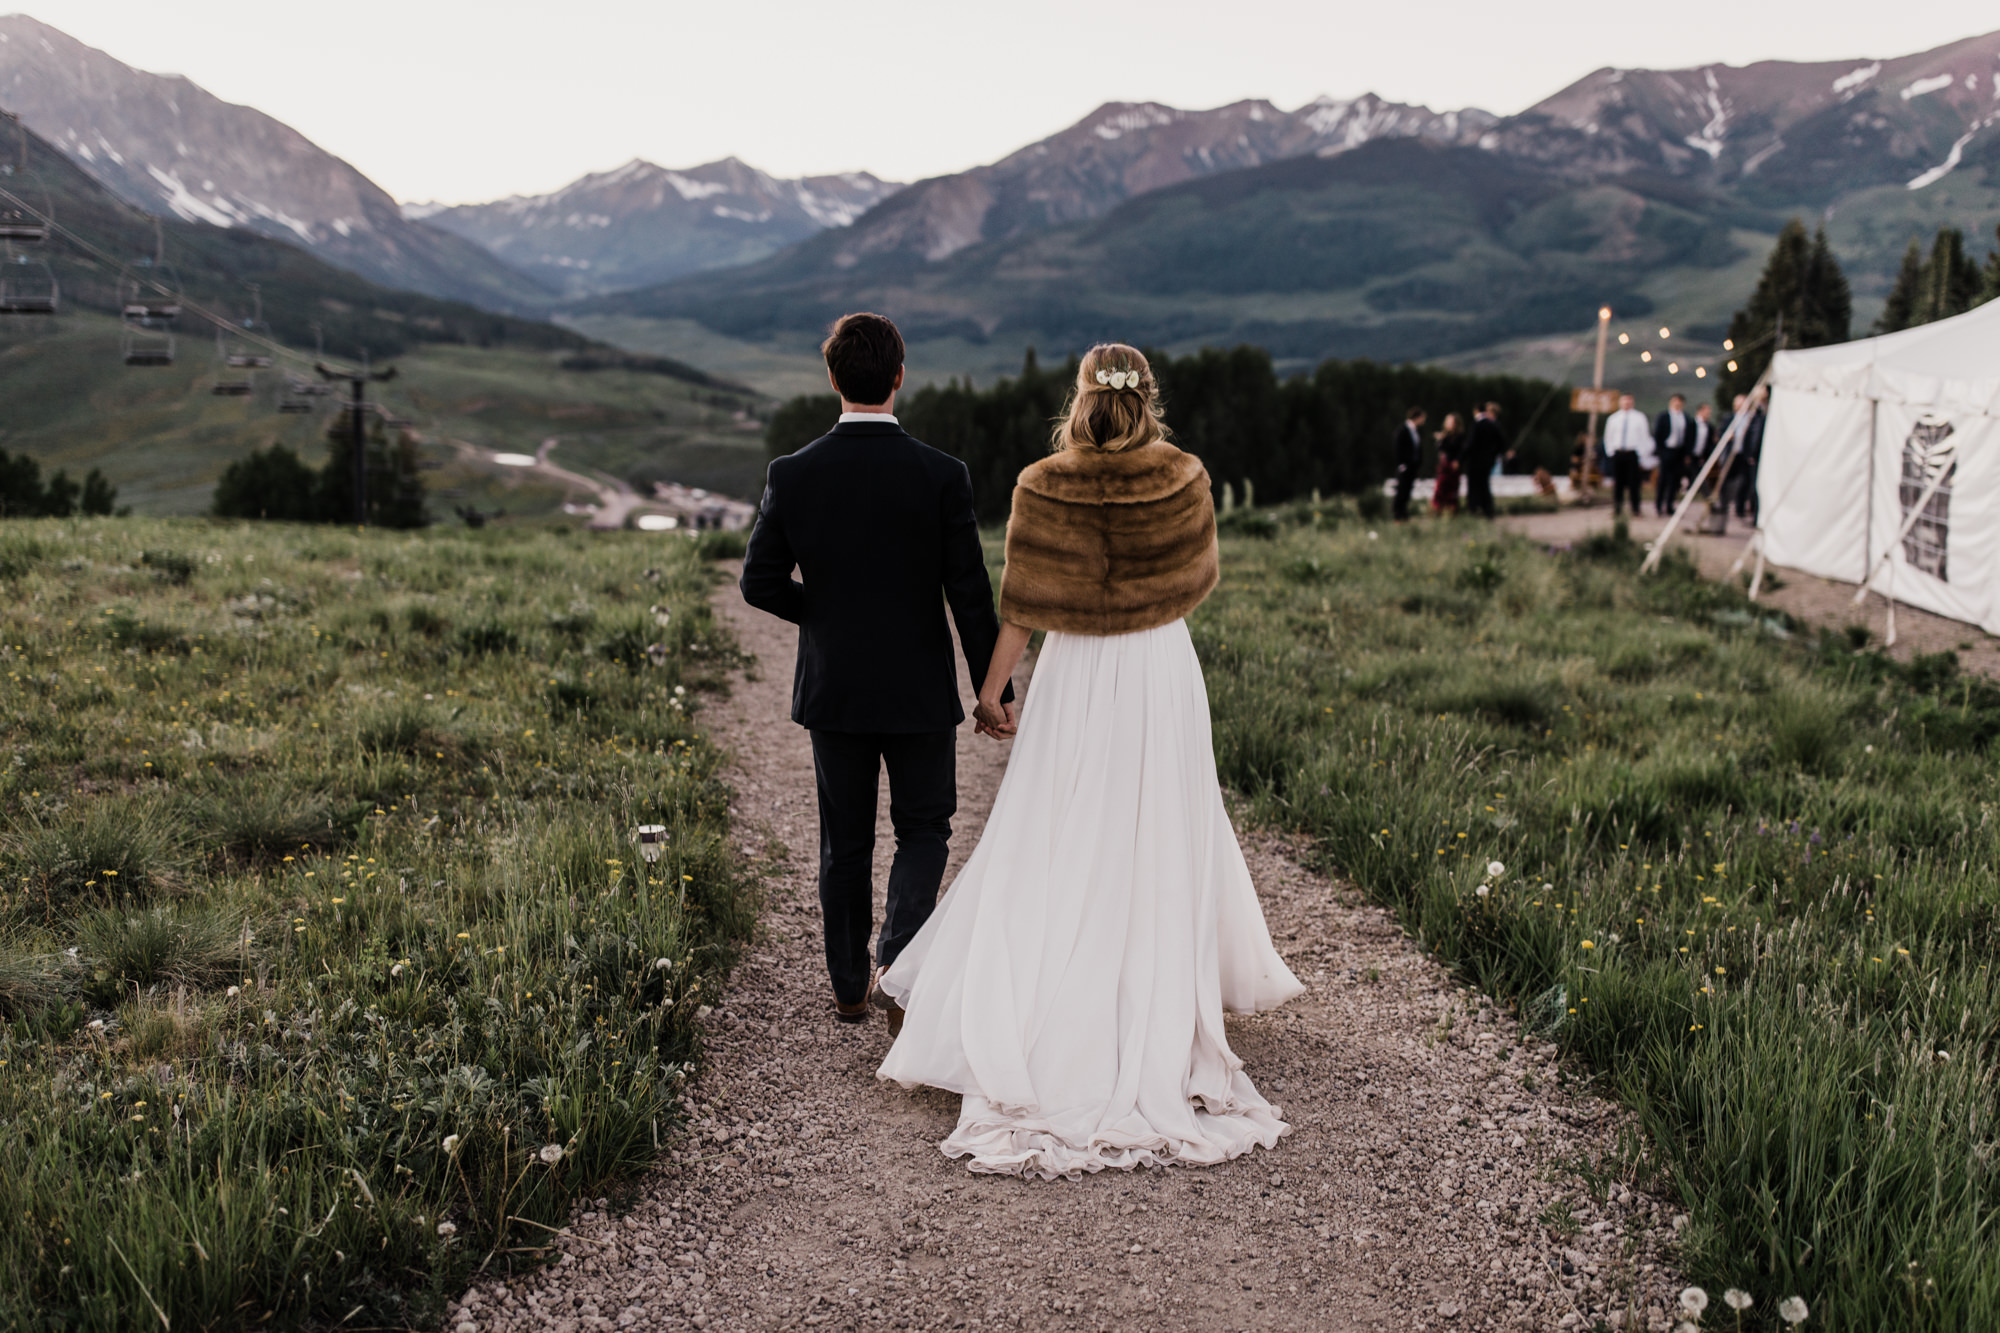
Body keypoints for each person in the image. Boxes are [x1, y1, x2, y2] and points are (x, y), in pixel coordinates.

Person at [877, 343, 1302, 1180]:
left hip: (1075, 668)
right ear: (1149, 396)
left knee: (1059, 821)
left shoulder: (1042, 483)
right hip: (1156, 667)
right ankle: (1149, 992)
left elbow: (1023, 605)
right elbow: (1199, 577)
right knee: (1156, 825)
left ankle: (1053, 999)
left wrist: (993, 691)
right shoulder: (1184, 476)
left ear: (1079, 397)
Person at [740, 311, 1015, 1035]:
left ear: (832, 379)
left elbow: (758, 582)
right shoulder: (941, 474)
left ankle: (849, 988)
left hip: (835, 690)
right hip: (921, 690)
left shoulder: (793, 473)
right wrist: (996, 692)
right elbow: (970, 596)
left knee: (846, 839)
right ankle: (902, 964)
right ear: (899, 377)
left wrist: (827, 614)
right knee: (924, 828)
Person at [1602, 393, 1650, 518]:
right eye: (1624, 401)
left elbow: (1644, 437)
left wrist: (1642, 454)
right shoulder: (1613, 418)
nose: (1626, 403)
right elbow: (1608, 436)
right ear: (1620, 402)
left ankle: (1635, 509)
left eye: (1629, 401)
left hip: (1632, 453)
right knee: (1618, 483)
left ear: (1632, 402)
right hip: (1618, 453)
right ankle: (1617, 509)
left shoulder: (1639, 418)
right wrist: (1610, 451)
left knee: (1634, 483)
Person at [1464, 402, 1507, 519]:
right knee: (1484, 486)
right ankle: (1487, 511)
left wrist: (1461, 457)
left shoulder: (1477, 424)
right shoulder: (1494, 425)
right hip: (1487, 462)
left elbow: (1470, 444)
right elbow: (1501, 444)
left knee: (1474, 487)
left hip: (1475, 462)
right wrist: (1492, 457)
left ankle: (1474, 509)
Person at [1652, 393, 1691, 516]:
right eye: (1675, 401)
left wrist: (1686, 453)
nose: (1677, 404)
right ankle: (1659, 505)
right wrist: (1660, 451)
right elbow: (1657, 434)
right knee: (1663, 479)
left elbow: (1688, 437)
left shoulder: (1685, 417)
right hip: (1666, 450)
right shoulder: (1663, 416)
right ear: (1671, 402)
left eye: (1679, 402)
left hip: (1679, 452)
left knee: (1675, 480)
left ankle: (1670, 505)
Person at [1391, 407, 1426, 521]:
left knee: (1407, 491)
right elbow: (1398, 449)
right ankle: (1398, 514)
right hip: (1404, 466)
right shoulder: (1403, 430)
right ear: (1417, 417)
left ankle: (1404, 514)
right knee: (1401, 490)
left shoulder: (1416, 431)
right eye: (1422, 418)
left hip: (1412, 466)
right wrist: (1401, 465)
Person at [1430, 413, 1465, 515]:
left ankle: (1452, 509)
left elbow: (1461, 451)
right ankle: (1438, 509)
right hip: (1444, 466)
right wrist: (1440, 440)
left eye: (1451, 422)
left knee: (1452, 489)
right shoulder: (1444, 436)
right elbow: (1441, 450)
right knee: (1440, 488)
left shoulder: (1460, 437)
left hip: (1453, 466)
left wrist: (1458, 461)